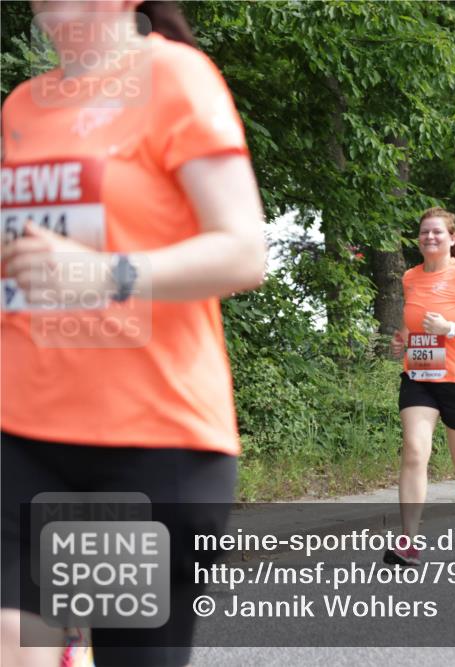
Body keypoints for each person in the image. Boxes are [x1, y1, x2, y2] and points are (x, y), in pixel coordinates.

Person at [1, 2, 267, 667]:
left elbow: (243, 252)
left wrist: (105, 273)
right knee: (13, 641)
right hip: (22, 431)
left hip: (148, 440)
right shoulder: (23, 108)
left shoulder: (177, 79)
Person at [384, 208, 455, 566]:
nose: (429, 238)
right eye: (423, 233)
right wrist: (403, 338)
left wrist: (449, 328)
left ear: (451, 238)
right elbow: (410, 319)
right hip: (419, 377)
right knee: (415, 452)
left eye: (436, 233)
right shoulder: (411, 277)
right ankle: (409, 542)